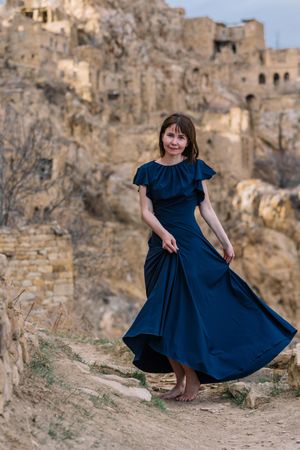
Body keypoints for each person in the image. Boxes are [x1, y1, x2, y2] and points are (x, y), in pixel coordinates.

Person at [122, 112, 297, 402]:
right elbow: (146, 212)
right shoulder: (147, 171)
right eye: (170, 135)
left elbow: (207, 210)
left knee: (184, 316)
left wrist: (226, 242)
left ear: (189, 141)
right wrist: (164, 235)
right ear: (161, 136)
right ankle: (178, 381)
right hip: (161, 248)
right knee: (164, 317)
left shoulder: (195, 169)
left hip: (190, 248)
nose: (174, 141)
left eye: (181, 137)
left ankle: (194, 379)